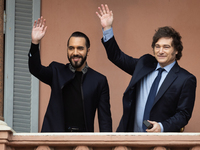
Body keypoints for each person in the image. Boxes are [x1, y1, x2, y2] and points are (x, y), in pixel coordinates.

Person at [96, 4, 196, 132]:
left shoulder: (186, 79)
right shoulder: (144, 65)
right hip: (132, 137)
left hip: (161, 141)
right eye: (157, 46)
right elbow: (117, 57)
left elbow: (183, 115)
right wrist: (107, 28)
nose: (160, 51)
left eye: (166, 47)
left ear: (176, 50)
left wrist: (162, 126)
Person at [28, 16, 112, 132]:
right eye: (71, 48)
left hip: (83, 142)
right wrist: (35, 43)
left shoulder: (99, 80)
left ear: (88, 51)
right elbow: (35, 69)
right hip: (55, 141)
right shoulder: (56, 71)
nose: (75, 53)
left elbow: (105, 120)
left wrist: (107, 144)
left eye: (80, 48)